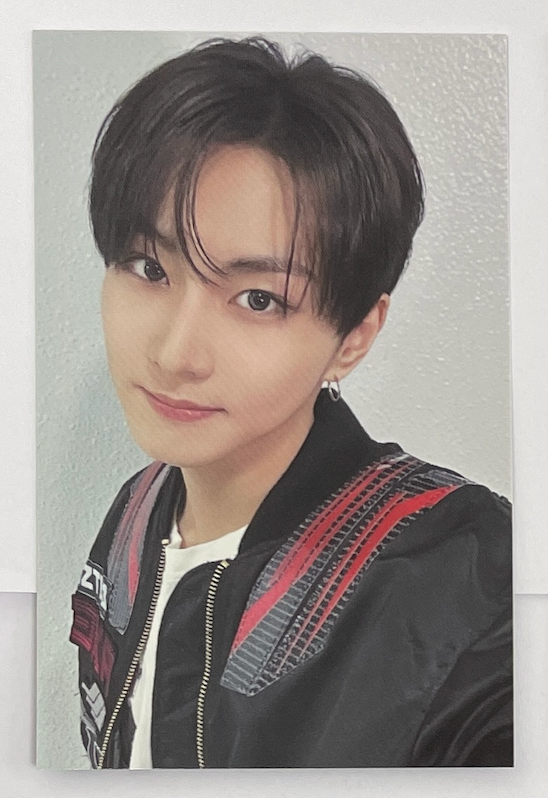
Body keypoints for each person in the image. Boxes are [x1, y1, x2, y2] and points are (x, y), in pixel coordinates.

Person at [69, 36, 512, 769]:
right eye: (149, 267)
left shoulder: (466, 577)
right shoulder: (135, 515)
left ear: (354, 334)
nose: (176, 353)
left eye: (257, 299)